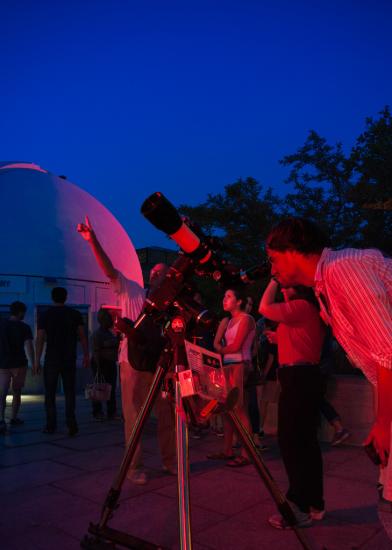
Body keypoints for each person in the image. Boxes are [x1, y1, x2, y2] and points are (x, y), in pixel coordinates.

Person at [265, 217, 392, 504]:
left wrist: (384, 423)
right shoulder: (326, 287)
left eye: (273, 259)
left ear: (294, 250)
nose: (272, 270)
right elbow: (376, 363)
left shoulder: (343, 269)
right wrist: (380, 418)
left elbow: (388, 351)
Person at [77, 217, 176, 485]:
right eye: (154, 272)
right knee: (133, 417)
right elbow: (109, 271)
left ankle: (171, 461)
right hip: (131, 363)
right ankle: (134, 467)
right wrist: (92, 240)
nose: (156, 275)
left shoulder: (168, 308)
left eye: (162, 273)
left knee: (166, 414)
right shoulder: (132, 291)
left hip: (157, 364)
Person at [260, 282, 326, 529]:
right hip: (304, 376)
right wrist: (279, 337)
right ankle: (315, 504)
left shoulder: (300, 306)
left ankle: (298, 506)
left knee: (291, 443)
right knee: (306, 444)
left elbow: (264, 307)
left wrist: (274, 280)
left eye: (287, 284)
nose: (283, 288)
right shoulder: (307, 310)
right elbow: (301, 339)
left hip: (298, 378)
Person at [207, 288, 255, 467]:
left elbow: (235, 346)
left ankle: (247, 452)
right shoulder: (228, 321)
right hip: (228, 366)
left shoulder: (246, 319)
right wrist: (219, 348)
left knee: (240, 409)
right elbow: (217, 343)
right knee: (228, 409)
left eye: (229, 296)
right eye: (224, 296)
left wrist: (220, 349)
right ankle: (228, 449)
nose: (224, 299)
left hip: (239, 365)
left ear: (239, 301)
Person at [35, 287, 89, 436]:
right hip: (69, 358)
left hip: (51, 358)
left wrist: (36, 361)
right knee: (70, 392)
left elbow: (39, 339)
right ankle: (71, 424)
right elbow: (83, 337)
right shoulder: (75, 314)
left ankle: (51, 425)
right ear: (66, 297)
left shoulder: (45, 315)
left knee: (50, 393)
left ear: (52, 298)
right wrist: (86, 355)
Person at [0, 301, 34, 433]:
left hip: (3, 364)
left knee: (2, 394)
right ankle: (13, 418)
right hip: (19, 364)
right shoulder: (24, 327)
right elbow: (29, 346)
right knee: (17, 392)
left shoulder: (1, 324)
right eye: (24, 312)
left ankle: (1, 419)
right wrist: (34, 362)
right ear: (20, 312)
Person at [91, 308, 120, 421]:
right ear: (103, 320)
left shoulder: (109, 333)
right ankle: (98, 412)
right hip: (101, 363)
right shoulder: (97, 334)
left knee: (110, 388)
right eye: (109, 319)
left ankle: (111, 412)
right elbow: (96, 350)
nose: (112, 321)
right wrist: (98, 367)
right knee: (99, 388)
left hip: (110, 363)